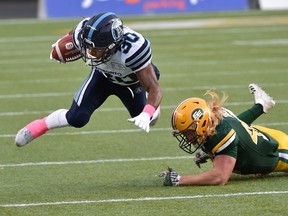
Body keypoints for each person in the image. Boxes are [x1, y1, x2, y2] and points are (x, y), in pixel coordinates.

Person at [15, 12, 162, 147]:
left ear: (112, 45)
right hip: (103, 75)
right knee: (77, 118)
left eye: (95, 49)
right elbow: (72, 36)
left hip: (131, 82)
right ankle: (40, 126)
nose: (89, 53)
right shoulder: (83, 31)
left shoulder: (133, 49)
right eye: (87, 47)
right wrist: (61, 45)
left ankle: (150, 104)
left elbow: (155, 88)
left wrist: (146, 113)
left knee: (150, 118)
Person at [159, 83, 288, 186]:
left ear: (202, 123)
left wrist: (180, 180)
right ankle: (262, 104)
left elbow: (220, 177)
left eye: (188, 133)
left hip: (280, 150)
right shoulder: (215, 119)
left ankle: (262, 104)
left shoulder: (221, 134)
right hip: (264, 135)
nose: (187, 138)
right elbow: (237, 124)